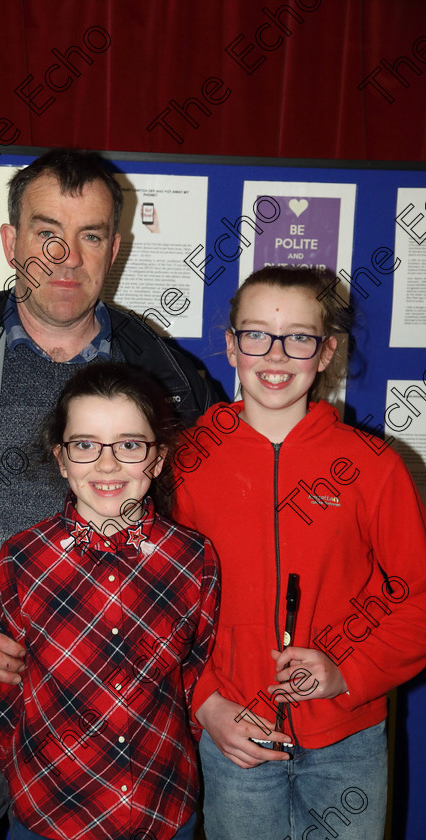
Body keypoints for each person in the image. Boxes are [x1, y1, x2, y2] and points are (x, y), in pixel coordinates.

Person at [0, 148, 221, 840]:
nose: (66, 256)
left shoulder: (175, 383)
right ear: (10, 241)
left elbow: (211, 547)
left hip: (116, 738)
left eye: (90, 235)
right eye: (45, 231)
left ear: (115, 249)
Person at [172, 266, 426, 840]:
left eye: (299, 337)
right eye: (257, 334)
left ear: (326, 350)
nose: (276, 354)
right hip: (236, 733)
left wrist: (348, 673)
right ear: (232, 346)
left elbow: (416, 597)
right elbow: (161, 607)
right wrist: (208, 703)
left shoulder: (372, 466)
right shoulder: (187, 463)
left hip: (348, 739)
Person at [0, 361, 219, 840]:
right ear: (62, 458)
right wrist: (24, 776)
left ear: (157, 458)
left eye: (129, 445)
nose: (107, 465)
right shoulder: (21, 561)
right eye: (86, 445)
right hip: (51, 811)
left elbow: (196, 674)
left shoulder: (193, 558)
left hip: (163, 807)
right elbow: (1, 693)